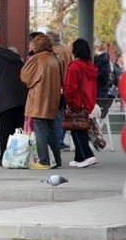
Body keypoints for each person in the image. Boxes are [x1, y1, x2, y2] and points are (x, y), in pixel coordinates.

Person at [20, 34, 63, 170]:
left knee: (40, 129)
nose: (31, 46)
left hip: (39, 98)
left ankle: (44, 160)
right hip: (53, 98)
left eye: (33, 44)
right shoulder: (56, 58)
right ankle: (57, 160)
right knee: (51, 129)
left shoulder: (36, 58)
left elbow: (25, 77)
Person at [63, 38, 98, 168]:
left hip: (76, 101)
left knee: (76, 129)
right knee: (81, 128)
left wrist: (67, 102)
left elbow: (70, 87)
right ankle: (79, 158)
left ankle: (86, 156)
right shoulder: (91, 67)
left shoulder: (74, 66)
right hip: (88, 102)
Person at [47, 30, 73, 150]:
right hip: (67, 84)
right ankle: (60, 139)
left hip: (56, 85)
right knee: (62, 113)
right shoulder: (66, 51)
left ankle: (58, 141)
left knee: (57, 114)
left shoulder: (52, 52)